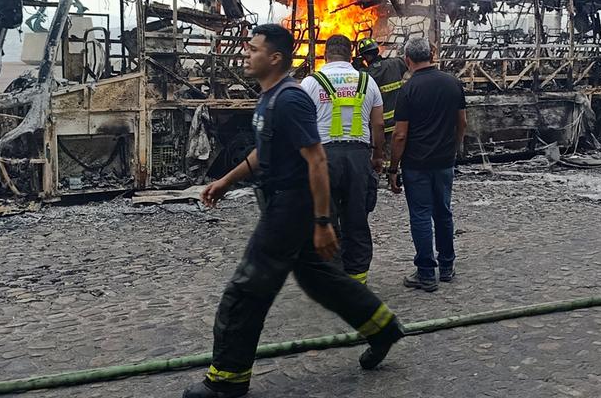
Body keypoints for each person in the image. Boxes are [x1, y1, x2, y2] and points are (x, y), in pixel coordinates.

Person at [184, 24, 403, 398]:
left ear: (275, 58)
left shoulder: (291, 99)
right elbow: (262, 153)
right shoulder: (269, 99)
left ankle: (226, 380)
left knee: (246, 290)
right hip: (280, 201)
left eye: (253, 50)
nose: (246, 55)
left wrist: (321, 222)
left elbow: (316, 159)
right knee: (322, 280)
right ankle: (382, 329)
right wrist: (226, 180)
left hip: (289, 206)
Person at [301, 34, 385, 285]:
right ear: (351, 55)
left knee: (326, 218)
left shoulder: (311, 83)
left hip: (323, 158)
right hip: (359, 157)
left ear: (325, 55)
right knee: (356, 219)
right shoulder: (367, 81)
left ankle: (333, 280)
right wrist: (378, 156)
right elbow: (378, 123)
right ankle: (357, 280)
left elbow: (301, 124)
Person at [388, 36, 467, 292]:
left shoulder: (408, 90)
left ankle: (425, 273)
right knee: (443, 212)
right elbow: (462, 123)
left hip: (416, 164)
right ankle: (446, 266)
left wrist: (393, 168)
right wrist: (452, 149)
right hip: (444, 162)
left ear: (407, 60)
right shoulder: (453, 83)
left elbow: (400, 134)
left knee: (421, 215)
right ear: (432, 55)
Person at [356, 38, 410, 138]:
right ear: (377, 50)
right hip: (399, 124)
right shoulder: (396, 64)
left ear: (365, 57)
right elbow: (407, 62)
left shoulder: (364, 75)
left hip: (379, 127)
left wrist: (356, 67)